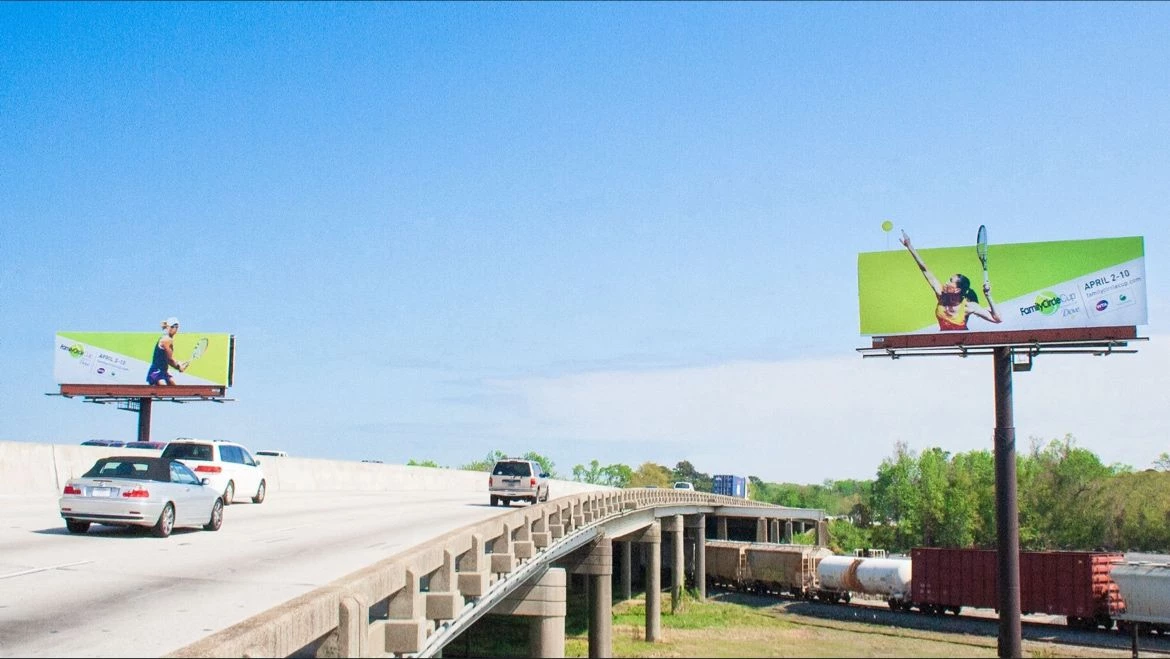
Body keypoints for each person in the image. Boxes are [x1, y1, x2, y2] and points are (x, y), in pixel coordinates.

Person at [900, 231, 1002, 330]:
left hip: (962, 339)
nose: (946, 282)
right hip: (943, 339)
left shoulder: (968, 306)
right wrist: (909, 246)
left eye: (950, 281)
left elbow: (997, 319)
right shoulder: (941, 295)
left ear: (957, 290)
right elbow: (925, 269)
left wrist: (988, 296)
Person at [146, 317, 186, 385]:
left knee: (173, 385)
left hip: (164, 371)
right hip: (155, 372)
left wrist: (179, 363)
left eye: (176, 327)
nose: (174, 329)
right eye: (172, 326)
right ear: (167, 327)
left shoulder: (169, 339)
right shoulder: (166, 340)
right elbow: (169, 360)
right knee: (163, 385)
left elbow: (167, 359)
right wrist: (178, 367)